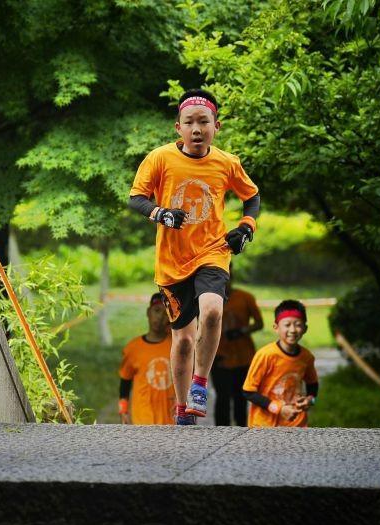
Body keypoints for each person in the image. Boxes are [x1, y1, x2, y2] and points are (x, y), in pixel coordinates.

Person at [128, 89, 261, 425]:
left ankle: (200, 384)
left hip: (213, 252)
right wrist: (161, 213)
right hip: (171, 263)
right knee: (184, 339)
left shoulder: (227, 163)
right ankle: (182, 409)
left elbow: (252, 197)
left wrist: (245, 228)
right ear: (178, 127)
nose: (197, 129)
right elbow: (136, 197)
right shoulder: (160, 158)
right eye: (189, 123)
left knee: (213, 311)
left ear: (216, 126)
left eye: (204, 122)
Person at [242, 300, 319, 428]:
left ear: (305, 329)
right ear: (276, 327)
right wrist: (279, 409)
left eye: (298, 325)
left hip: (296, 424)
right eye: (287, 325)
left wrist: (310, 400)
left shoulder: (307, 357)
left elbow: (313, 384)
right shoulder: (265, 355)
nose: (292, 330)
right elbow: (248, 391)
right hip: (264, 426)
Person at [213, 266, 263, 426]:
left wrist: (242, 331)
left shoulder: (245, 297)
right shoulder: (209, 299)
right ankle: (220, 434)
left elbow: (259, 323)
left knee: (240, 398)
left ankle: (241, 432)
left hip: (243, 357)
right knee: (222, 398)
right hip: (218, 357)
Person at [118, 293, 176, 425]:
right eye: (157, 311)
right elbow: (125, 380)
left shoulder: (176, 345)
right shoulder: (133, 348)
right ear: (148, 312)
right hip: (143, 417)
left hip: (171, 418)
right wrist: (123, 409)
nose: (160, 317)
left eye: (165, 313)